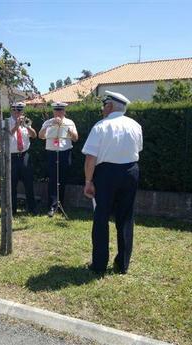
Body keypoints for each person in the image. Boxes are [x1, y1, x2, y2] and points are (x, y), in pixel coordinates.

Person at [82, 90, 143, 275]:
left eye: (104, 105)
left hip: (106, 174)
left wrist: (88, 181)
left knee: (101, 217)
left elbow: (90, 159)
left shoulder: (101, 126)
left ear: (110, 106)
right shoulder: (136, 125)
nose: (102, 109)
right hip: (131, 171)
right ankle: (122, 264)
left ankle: (99, 264)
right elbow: (138, 149)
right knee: (125, 218)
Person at [38, 102, 78, 217]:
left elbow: (75, 138)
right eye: (56, 110)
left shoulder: (70, 122)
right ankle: (52, 206)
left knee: (63, 179)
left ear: (64, 112)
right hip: (51, 152)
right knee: (52, 180)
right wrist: (47, 127)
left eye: (60, 111)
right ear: (53, 111)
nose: (58, 113)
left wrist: (64, 127)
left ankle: (62, 204)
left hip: (65, 153)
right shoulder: (48, 122)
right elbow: (40, 136)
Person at [8, 102, 37, 215]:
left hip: (24, 155)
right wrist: (16, 126)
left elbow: (34, 135)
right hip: (12, 156)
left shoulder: (26, 122)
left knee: (29, 182)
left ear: (22, 112)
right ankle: (12, 210)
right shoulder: (6, 122)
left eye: (19, 111)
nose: (17, 113)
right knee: (12, 184)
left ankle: (32, 208)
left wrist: (27, 127)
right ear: (12, 111)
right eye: (15, 110)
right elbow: (6, 136)